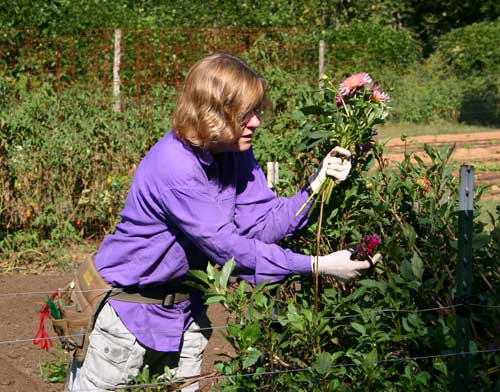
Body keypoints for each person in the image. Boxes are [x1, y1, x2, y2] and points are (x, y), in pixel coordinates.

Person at [67, 52, 380, 392]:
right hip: (127, 318)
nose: (257, 122)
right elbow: (229, 249)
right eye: (246, 114)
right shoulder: (175, 166)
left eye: (256, 112)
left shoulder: (234, 150)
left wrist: (316, 185)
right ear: (212, 113)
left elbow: (260, 223)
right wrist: (317, 265)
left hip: (184, 313)